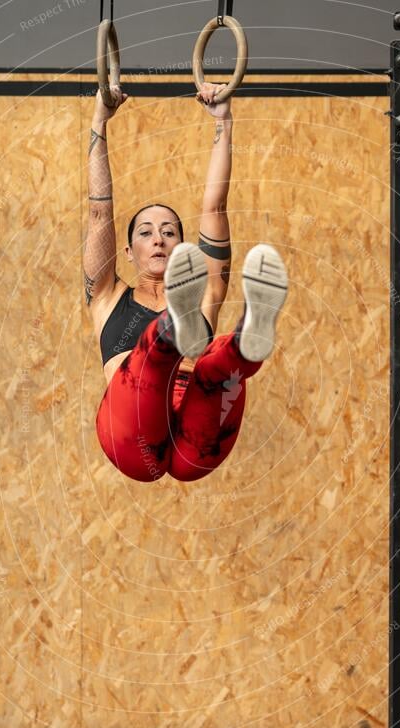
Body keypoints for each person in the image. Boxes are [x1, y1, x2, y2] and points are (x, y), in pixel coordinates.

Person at [83, 81, 288, 482]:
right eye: (145, 232)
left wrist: (223, 121)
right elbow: (97, 213)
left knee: (216, 366)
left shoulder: (207, 288)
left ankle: (248, 335)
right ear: (127, 253)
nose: (158, 238)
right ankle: (176, 326)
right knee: (154, 359)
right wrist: (99, 122)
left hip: (195, 443)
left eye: (169, 232)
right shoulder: (106, 295)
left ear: (183, 247)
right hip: (133, 438)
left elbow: (215, 205)